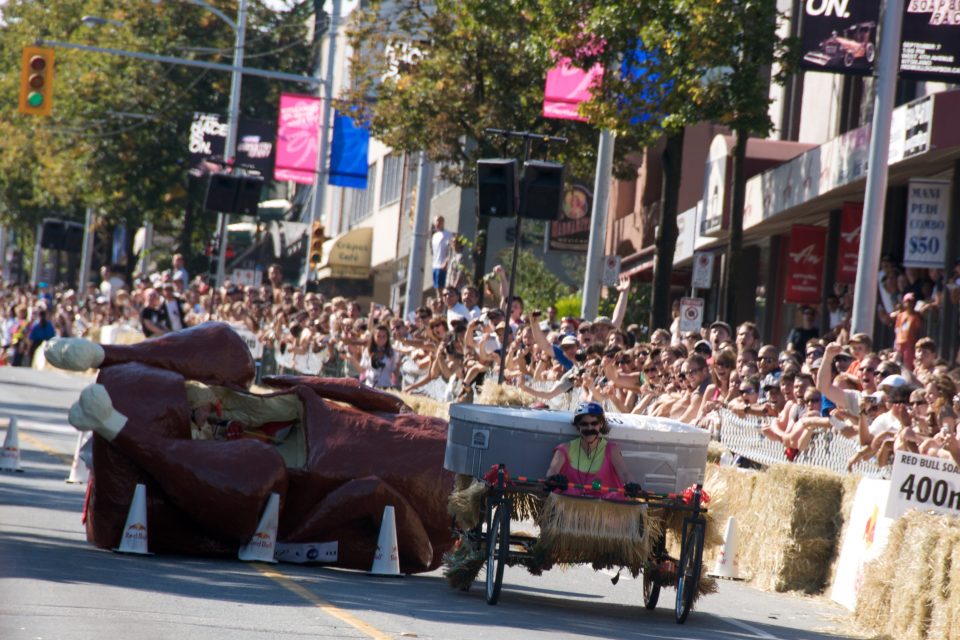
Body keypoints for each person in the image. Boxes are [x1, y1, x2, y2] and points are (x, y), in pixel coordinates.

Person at [544, 402, 641, 499]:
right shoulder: (565, 448)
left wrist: (632, 484)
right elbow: (552, 471)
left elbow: (624, 473)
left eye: (594, 423)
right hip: (572, 504)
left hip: (604, 507)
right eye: (584, 424)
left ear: (601, 425)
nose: (589, 428)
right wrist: (554, 479)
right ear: (578, 427)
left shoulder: (611, 449)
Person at [430, 216, 454, 292]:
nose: (437, 223)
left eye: (439, 221)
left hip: (442, 265)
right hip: (435, 264)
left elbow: (451, 249)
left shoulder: (447, 234)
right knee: (436, 286)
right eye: (436, 221)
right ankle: (439, 300)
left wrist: (446, 261)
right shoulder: (434, 236)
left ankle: (442, 301)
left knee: (441, 286)